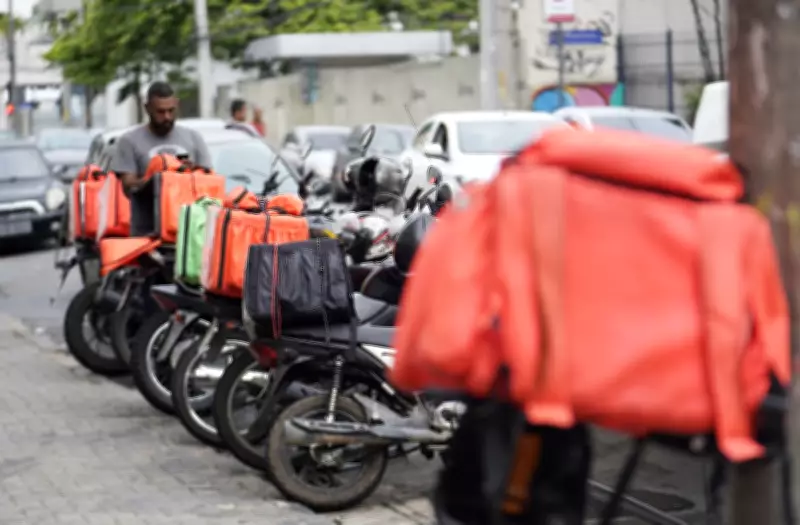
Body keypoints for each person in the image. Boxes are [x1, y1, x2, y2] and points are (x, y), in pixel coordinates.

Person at [110, 81, 212, 236]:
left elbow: (209, 183)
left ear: (177, 105)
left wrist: (190, 173)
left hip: (189, 230)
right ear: (147, 108)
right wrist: (159, 178)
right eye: (160, 112)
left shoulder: (193, 138)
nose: (167, 117)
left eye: (171, 110)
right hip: (146, 232)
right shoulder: (129, 141)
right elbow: (128, 187)